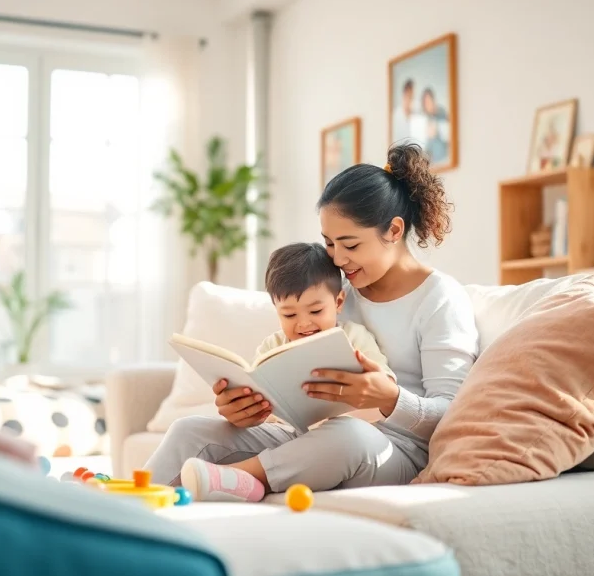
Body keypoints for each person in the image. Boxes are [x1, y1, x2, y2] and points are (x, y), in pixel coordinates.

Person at [144, 142, 479, 502]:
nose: (337, 258)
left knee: (349, 436)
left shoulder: (440, 299)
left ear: (394, 231)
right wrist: (245, 409)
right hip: (307, 437)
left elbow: (453, 414)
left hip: (393, 450)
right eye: (329, 243)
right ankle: (127, 503)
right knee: (189, 431)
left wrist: (390, 399)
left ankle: (235, 478)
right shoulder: (334, 294)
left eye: (350, 245)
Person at [249, 241, 396, 431]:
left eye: (316, 311)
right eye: (289, 315)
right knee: (201, 426)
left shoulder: (353, 337)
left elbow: (385, 386)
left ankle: (253, 463)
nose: (303, 323)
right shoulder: (272, 345)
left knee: (344, 433)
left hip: (342, 431)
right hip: (285, 431)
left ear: (338, 302)